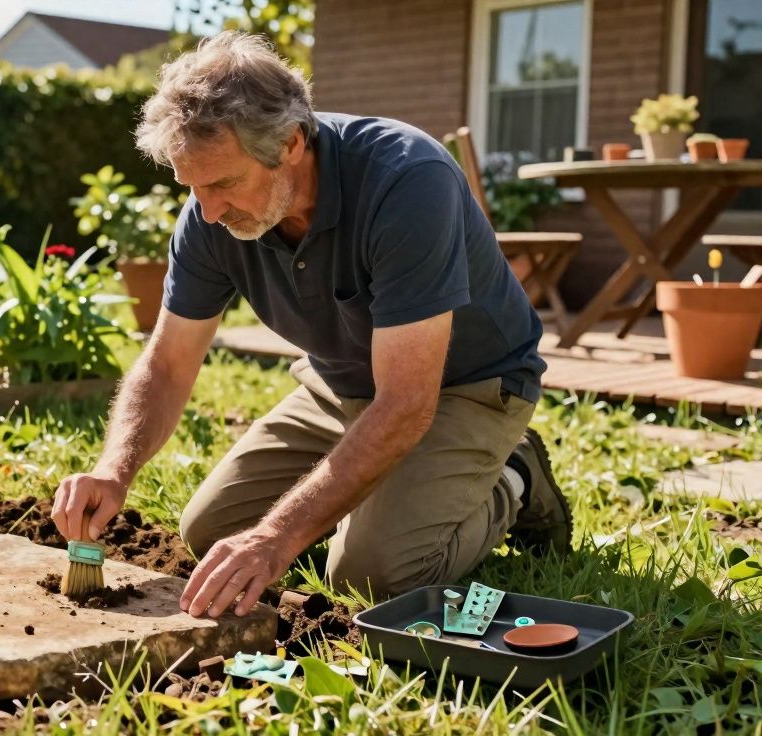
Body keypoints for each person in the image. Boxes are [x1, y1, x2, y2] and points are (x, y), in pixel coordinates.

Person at [51, 31, 571, 618]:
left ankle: (514, 477)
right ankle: (382, 494)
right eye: (191, 186)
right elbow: (168, 361)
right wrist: (113, 470)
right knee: (209, 532)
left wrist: (277, 539)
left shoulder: (407, 181)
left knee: (370, 576)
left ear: (292, 143)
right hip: (341, 385)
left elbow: (406, 403)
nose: (209, 211)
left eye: (223, 183)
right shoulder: (208, 214)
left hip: (465, 387)